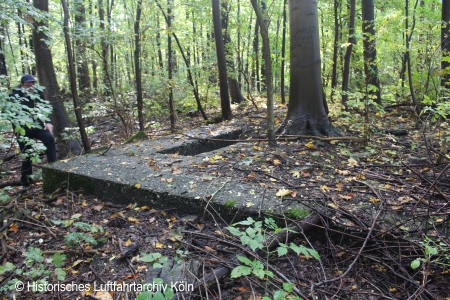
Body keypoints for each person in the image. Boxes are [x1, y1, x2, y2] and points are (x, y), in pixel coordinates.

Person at [10, 74, 57, 188]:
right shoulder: (14, 95)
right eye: (27, 86)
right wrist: (23, 120)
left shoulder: (37, 91)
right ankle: (26, 181)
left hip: (38, 126)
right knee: (27, 154)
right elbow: (12, 115)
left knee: (50, 139)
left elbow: (45, 106)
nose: (30, 88)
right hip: (23, 129)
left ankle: (54, 171)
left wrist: (49, 122)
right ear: (22, 85)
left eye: (32, 85)